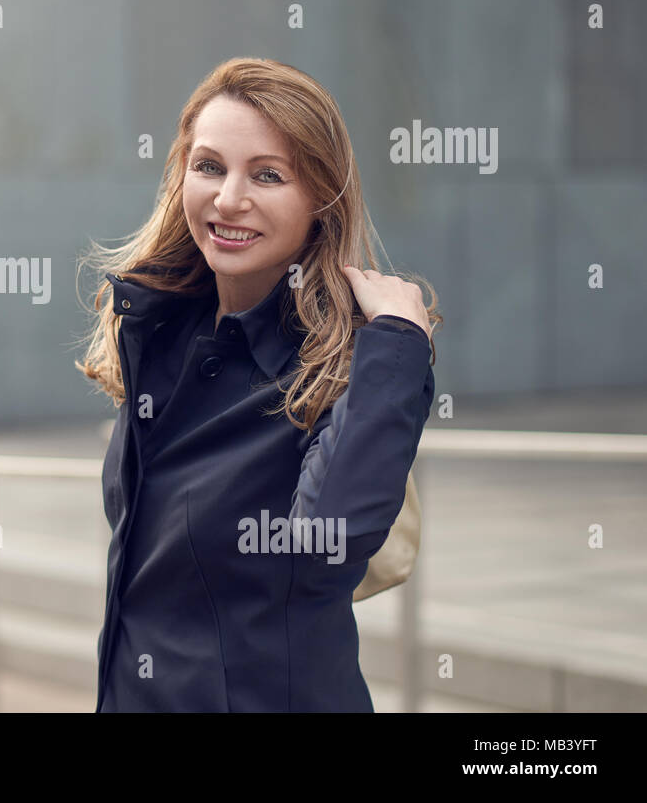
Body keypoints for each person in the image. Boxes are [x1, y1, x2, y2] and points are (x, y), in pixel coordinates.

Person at [75, 57, 441, 712]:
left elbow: (326, 541)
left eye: (267, 175)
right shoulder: (158, 334)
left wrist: (398, 344)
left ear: (319, 202)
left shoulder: (338, 366)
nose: (228, 197)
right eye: (209, 165)